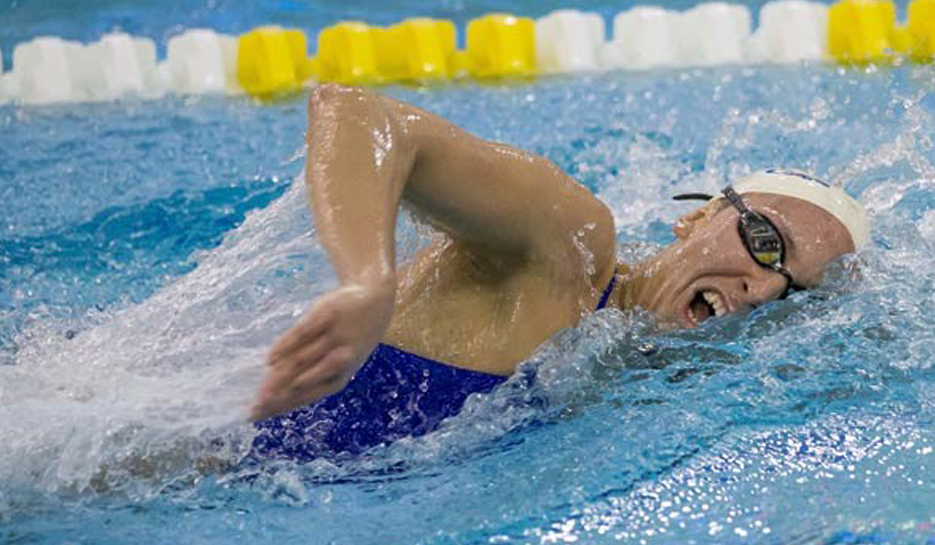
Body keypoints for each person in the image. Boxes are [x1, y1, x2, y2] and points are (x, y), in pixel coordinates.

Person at [249, 84, 870, 460]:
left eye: (796, 292)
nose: (764, 289)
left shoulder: (632, 384)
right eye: (765, 243)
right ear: (699, 218)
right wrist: (366, 280)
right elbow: (360, 116)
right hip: (180, 468)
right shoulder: (567, 249)